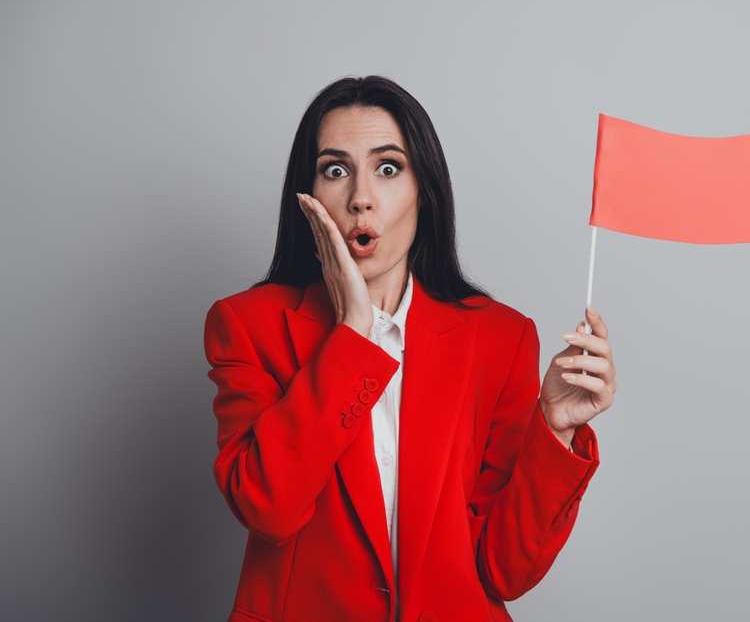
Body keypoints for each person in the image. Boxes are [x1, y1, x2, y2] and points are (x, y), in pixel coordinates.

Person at [204, 75, 616, 622]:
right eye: (335, 169)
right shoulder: (246, 326)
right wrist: (353, 332)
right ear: (307, 197)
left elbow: (504, 572)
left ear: (425, 191)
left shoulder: (500, 339)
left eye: (388, 168)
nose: (360, 198)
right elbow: (269, 508)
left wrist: (557, 427)